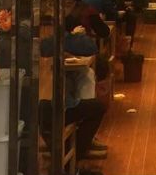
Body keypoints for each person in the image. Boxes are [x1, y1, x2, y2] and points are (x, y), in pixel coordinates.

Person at [39, 26, 107, 160]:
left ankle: (79, 145)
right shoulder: (52, 43)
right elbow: (92, 45)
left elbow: (92, 47)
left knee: (86, 74)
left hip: (47, 105)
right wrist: (73, 37)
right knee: (97, 105)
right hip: (50, 108)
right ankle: (77, 152)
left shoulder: (46, 42)